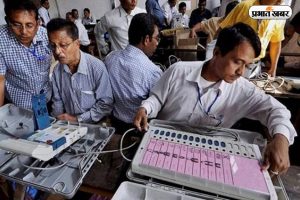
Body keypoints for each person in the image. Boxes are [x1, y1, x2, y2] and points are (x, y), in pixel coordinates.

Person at [134, 23, 296, 176]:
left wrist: (281, 138)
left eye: (247, 66)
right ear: (217, 52)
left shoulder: (242, 90)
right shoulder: (179, 71)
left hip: (204, 158)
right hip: (162, 147)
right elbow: (156, 98)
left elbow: (276, 110)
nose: (241, 72)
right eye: (237, 62)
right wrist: (145, 108)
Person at [47, 18, 113, 123]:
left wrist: (77, 119)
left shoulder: (96, 68)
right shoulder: (57, 71)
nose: (57, 51)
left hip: (96, 124)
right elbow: (57, 102)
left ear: (77, 43)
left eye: (63, 45)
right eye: (53, 46)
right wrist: (56, 123)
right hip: (70, 126)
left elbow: (105, 105)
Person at [105, 13, 162, 133]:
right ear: (146, 40)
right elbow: (157, 103)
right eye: (157, 38)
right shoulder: (153, 71)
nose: (157, 43)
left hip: (116, 125)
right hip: (140, 128)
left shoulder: (110, 58)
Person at [0, 0, 52, 109]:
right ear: (7, 21)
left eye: (29, 25)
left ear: (38, 23)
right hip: (19, 106)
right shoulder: (1, 39)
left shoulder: (46, 36)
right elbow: (0, 80)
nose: (23, 32)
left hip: (47, 98)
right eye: (16, 25)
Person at [219, 0, 285, 77]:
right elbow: (222, 31)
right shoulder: (244, 6)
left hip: (254, 66)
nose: (280, 1)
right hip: (233, 62)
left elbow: (276, 42)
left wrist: (273, 68)